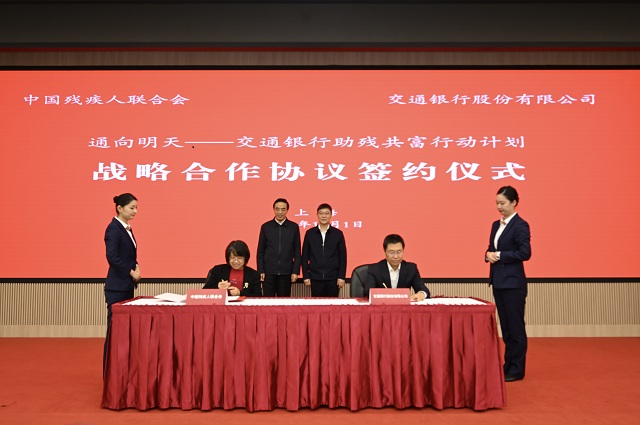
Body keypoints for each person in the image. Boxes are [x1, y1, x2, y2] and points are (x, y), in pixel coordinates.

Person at [485, 185, 532, 382]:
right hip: (499, 282)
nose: (499, 207)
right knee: (506, 328)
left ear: (514, 203)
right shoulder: (496, 225)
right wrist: (487, 255)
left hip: (513, 284)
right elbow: (491, 248)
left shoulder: (521, 225)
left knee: (516, 328)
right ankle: (508, 365)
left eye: (503, 203)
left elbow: (525, 253)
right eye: (497, 203)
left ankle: (517, 369)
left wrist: (500, 255)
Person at [103, 193, 140, 370]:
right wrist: (131, 272)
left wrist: (137, 267)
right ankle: (109, 372)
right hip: (117, 288)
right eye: (132, 208)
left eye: (136, 208)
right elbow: (112, 257)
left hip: (126, 286)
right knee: (114, 332)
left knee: (123, 332)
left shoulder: (126, 228)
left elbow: (128, 256)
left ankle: (121, 371)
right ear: (120, 208)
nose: (135, 211)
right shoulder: (113, 229)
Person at [364, 234, 430, 301]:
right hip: (382, 305)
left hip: (403, 306)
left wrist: (421, 294)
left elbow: (423, 290)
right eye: (391, 252)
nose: (395, 256)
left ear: (403, 251)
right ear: (385, 252)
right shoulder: (374, 269)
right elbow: (368, 292)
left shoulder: (411, 269)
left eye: (399, 252)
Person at [257, 198, 301, 297]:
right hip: (269, 272)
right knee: (268, 302)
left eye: (283, 209)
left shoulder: (293, 227)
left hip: (286, 272)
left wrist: (295, 271)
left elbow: (297, 252)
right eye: (277, 209)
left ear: (287, 210)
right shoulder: (266, 227)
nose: (280, 212)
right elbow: (260, 251)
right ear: (274, 209)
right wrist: (261, 270)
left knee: (284, 302)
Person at [301, 203, 347, 297]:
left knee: (332, 304)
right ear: (317, 215)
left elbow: (343, 257)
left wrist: (341, 277)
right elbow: (304, 256)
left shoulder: (338, 234)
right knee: (317, 304)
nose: (324, 216)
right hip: (315, 278)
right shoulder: (310, 233)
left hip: (333, 278)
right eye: (321, 213)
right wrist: (306, 276)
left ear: (331, 215)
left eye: (327, 213)